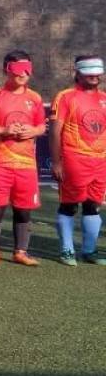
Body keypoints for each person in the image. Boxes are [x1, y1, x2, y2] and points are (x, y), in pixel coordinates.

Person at [0, 50, 46, 266]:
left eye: (28, 68)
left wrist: (33, 131)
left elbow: (42, 126)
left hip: (26, 164)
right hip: (0, 162)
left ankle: (20, 251)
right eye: (19, 68)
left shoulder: (34, 98)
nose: (24, 73)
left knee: (24, 209)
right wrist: (2, 131)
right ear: (7, 69)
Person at [49, 55, 106, 266]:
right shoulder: (66, 97)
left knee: (93, 205)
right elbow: (55, 131)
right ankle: (67, 250)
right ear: (78, 72)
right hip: (74, 160)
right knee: (70, 205)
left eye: (97, 71)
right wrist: (56, 162)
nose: (94, 76)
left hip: (99, 163)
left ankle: (89, 250)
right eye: (88, 71)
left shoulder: (104, 98)